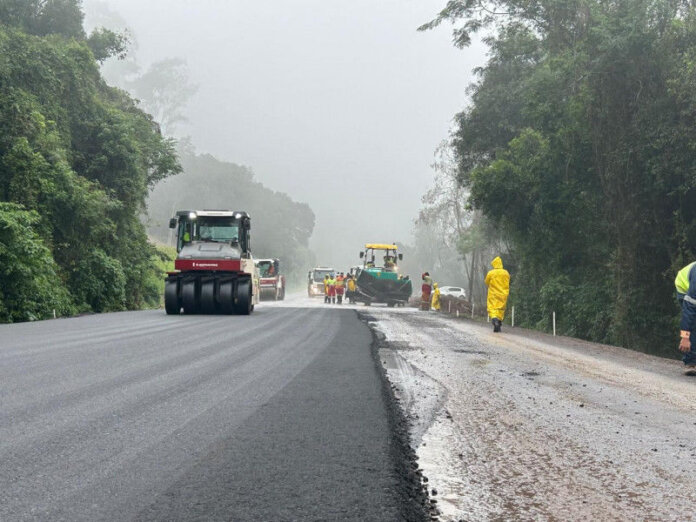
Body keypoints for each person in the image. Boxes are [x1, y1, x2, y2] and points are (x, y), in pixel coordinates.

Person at [675, 261, 696, 374]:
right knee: (693, 322)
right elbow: (689, 310)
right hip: (684, 289)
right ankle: (691, 363)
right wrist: (685, 337)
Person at [484, 256, 510, 332]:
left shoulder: (491, 273)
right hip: (503, 294)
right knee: (501, 309)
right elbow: (508, 281)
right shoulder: (506, 273)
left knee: (492, 308)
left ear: (494, 264)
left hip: (493, 294)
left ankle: (495, 320)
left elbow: (486, 282)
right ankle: (499, 322)